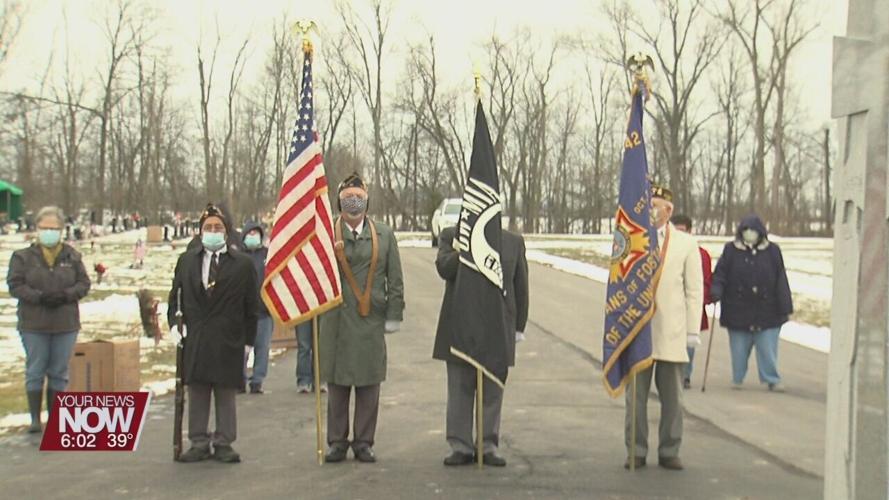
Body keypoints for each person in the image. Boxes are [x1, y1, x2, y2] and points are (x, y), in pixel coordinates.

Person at [320, 172, 405, 464]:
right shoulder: (326, 233)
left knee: (369, 383)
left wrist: (395, 314)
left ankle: (364, 442)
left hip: (370, 319)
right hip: (336, 320)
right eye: (347, 198)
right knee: (337, 383)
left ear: (367, 202)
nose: (353, 202)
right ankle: (337, 441)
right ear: (338, 202)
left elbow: (395, 278)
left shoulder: (384, 234)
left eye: (358, 196)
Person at [167, 204, 259, 463]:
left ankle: (223, 441)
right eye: (208, 227)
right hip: (196, 336)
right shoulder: (186, 261)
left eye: (218, 227)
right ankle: (198, 440)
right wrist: (174, 325)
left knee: (225, 392)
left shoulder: (242, 264)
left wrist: (250, 343)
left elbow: (252, 307)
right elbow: (175, 298)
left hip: (229, 338)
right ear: (200, 232)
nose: (213, 231)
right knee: (197, 390)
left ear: (227, 232)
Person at [433, 225, 528, 467]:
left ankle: (488, 446)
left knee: (492, 390)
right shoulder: (451, 235)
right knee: (459, 390)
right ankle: (460, 445)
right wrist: (466, 249)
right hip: (460, 327)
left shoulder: (512, 242)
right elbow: (444, 268)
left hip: (497, 328)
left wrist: (518, 327)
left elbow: (520, 286)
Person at [625, 185, 703, 471]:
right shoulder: (633, 239)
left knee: (673, 398)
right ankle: (636, 449)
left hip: (671, 330)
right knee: (635, 399)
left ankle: (670, 449)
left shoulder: (685, 243)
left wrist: (692, 331)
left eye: (657, 205)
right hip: (639, 331)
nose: (652, 210)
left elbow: (694, 290)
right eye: (649, 204)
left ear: (669, 211)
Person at [7, 206, 91, 433]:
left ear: (62, 230)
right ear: (37, 229)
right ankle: (35, 419)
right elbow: (15, 285)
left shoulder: (72, 256)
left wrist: (65, 295)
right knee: (35, 369)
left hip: (65, 323)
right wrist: (40, 297)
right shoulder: (23, 257)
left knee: (59, 371)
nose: (49, 232)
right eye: (45, 228)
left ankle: (56, 418)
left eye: (54, 228)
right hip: (34, 323)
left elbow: (84, 284)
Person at [710, 214, 793, 392]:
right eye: (746, 230)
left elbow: (780, 278)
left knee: (768, 349)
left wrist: (785, 306)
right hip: (737, 308)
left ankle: (771, 378)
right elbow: (721, 274)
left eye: (753, 231)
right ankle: (737, 377)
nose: (750, 233)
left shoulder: (772, 251)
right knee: (739, 349)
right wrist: (716, 290)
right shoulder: (731, 250)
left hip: (768, 310)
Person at [670, 214, 714, 389]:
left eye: (683, 230)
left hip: (691, 306)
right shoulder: (666, 250)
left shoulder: (701, 254)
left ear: (689, 231)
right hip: (671, 305)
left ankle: (685, 375)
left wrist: (705, 297)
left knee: (689, 342)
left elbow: (705, 281)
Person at [241, 222, 272, 395]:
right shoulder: (238, 256)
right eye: (250, 233)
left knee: (262, 348)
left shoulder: (267, 255)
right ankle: (240, 379)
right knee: (241, 349)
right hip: (242, 313)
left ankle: (257, 380)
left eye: (256, 233)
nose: (253, 236)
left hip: (263, 311)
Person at [295, 321, 325, 393]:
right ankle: (303, 381)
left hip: (320, 311)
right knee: (304, 347)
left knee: (320, 346)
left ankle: (320, 380)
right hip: (302, 312)